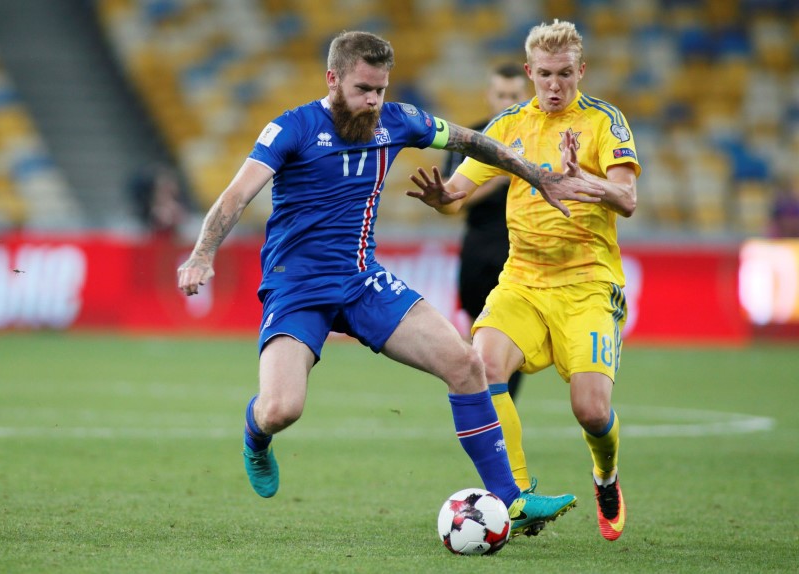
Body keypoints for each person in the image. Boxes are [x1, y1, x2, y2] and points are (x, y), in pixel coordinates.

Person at [177, 31, 606, 537]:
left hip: (363, 282)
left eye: (381, 89)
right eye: (363, 89)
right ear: (332, 80)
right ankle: (255, 434)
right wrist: (202, 254)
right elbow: (236, 195)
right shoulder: (291, 128)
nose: (374, 101)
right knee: (281, 409)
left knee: (466, 363)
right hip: (297, 288)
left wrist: (537, 175)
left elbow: (475, 141)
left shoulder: (398, 121)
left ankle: (512, 499)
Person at [407, 20, 640, 541]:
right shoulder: (507, 125)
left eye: (564, 75)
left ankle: (606, 474)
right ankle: (516, 497)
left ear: (581, 71)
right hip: (523, 281)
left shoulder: (605, 122)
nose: (554, 86)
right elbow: (457, 194)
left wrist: (588, 182)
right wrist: (442, 198)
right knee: (480, 364)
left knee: (591, 410)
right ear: (530, 72)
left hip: (586, 284)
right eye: (544, 75)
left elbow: (627, 199)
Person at [442, 62, 529, 401]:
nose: (507, 102)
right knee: (481, 343)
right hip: (479, 254)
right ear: (489, 96)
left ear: (527, 96)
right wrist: (504, 173)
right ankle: (483, 409)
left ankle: (502, 412)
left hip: (520, 254)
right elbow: (454, 199)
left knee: (518, 342)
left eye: (515, 95)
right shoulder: (471, 139)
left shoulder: (542, 140)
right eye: (501, 95)